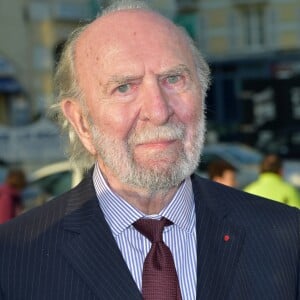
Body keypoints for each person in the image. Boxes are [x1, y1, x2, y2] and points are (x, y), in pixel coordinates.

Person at [0, 1, 299, 299]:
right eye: (124, 87)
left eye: (173, 79)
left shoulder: (286, 239)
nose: (158, 111)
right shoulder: (15, 260)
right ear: (81, 121)